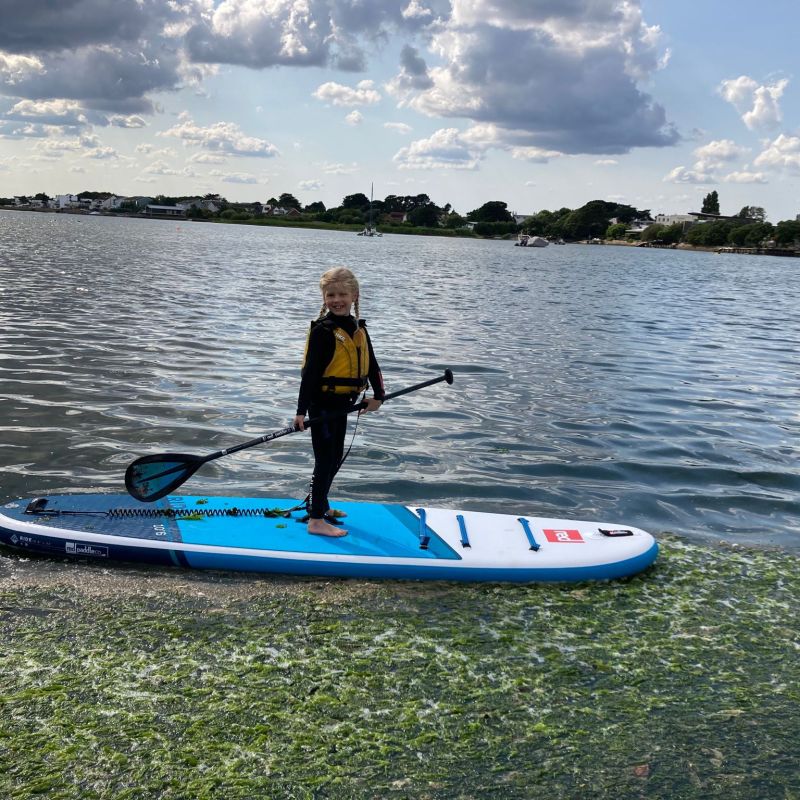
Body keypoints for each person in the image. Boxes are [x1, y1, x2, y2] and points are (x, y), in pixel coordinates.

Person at [294, 267, 385, 537]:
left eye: (342, 294)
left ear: (354, 295)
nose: (337, 299)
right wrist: (300, 411)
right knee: (324, 460)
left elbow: (372, 364)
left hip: (344, 404)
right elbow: (310, 375)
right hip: (321, 404)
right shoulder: (324, 331)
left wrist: (378, 396)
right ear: (324, 298)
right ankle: (316, 520)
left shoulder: (358, 329)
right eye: (330, 294)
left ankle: (319, 504)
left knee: (333, 457)